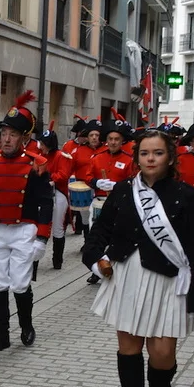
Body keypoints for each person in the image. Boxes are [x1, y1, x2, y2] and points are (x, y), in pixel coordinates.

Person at [82, 130, 194, 387]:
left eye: (158, 153)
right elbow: (101, 230)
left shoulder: (186, 195)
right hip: (127, 275)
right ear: (137, 157)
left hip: (168, 280)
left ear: (170, 158)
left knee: (162, 353)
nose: (150, 159)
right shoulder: (124, 190)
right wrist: (95, 259)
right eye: (144, 153)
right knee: (129, 349)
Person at [0, 92, 53, 351]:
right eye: (4, 133)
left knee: (19, 283)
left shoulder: (36, 165)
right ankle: (1, 335)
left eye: (13, 134)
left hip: (24, 229)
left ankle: (26, 326)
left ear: (24, 138)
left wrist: (42, 237)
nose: (6, 139)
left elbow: (46, 203)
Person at [86, 117, 139, 283]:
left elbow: (134, 180)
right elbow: (87, 177)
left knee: (115, 237)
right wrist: (96, 182)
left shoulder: (129, 160)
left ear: (122, 141)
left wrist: (119, 186)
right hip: (99, 200)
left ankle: (113, 265)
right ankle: (96, 268)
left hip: (119, 204)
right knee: (95, 236)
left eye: (117, 139)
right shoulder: (96, 158)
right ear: (106, 140)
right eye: (110, 139)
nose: (113, 142)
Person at [36, 123, 73, 269]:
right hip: (43, 193)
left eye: (43, 144)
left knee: (57, 227)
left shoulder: (60, 156)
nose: (41, 146)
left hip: (58, 193)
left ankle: (57, 260)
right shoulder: (40, 156)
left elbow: (63, 174)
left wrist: (50, 179)